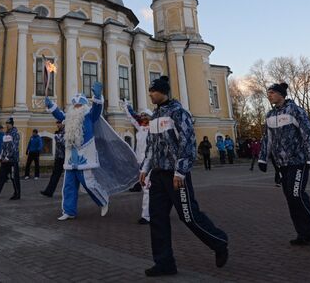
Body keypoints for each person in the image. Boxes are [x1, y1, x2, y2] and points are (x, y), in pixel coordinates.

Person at [140, 76, 229, 277]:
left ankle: (219, 242)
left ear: (163, 91)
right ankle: (164, 263)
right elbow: (151, 147)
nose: (150, 94)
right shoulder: (154, 117)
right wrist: (144, 169)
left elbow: (187, 143)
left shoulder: (179, 113)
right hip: (158, 175)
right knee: (157, 218)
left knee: (188, 216)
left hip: (175, 175)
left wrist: (180, 170)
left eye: (153, 91)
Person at [46, 81, 138, 221]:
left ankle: (103, 200)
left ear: (84, 105)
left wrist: (97, 96)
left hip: (86, 155)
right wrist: (50, 105)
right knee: (69, 185)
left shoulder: (89, 115)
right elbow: (59, 115)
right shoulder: (68, 117)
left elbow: (97, 110)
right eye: (75, 105)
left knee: (89, 183)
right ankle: (69, 211)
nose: (77, 107)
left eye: (79, 105)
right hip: (71, 157)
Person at [258, 82, 310, 248]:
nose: (269, 95)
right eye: (268, 93)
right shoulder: (270, 115)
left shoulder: (295, 111)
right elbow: (267, 139)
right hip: (281, 164)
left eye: (272, 92)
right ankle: (302, 233)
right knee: (291, 199)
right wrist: (263, 158)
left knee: (297, 195)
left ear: (281, 94)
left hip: (298, 161)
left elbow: (308, 133)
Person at [124, 100, 152, 224]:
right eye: (142, 115)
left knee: (147, 189)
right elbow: (132, 116)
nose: (143, 117)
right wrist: (127, 106)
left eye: (145, 115)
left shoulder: (154, 128)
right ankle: (150, 214)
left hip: (151, 163)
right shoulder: (140, 128)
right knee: (147, 189)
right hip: (140, 162)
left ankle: (146, 216)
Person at [0, 117, 21, 200]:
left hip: (12, 160)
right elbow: (4, 147)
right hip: (5, 160)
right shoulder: (6, 134)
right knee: (1, 177)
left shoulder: (15, 134)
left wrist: (8, 157)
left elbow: (14, 147)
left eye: (8, 124)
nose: (7, 125)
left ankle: (17, 194)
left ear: (12, 124)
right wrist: (1, 157)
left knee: (14, 178)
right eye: (6, 124)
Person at [40, 121, 65, 197]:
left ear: (63, 123)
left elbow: (63, 142)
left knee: (73, 175)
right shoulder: (59, 132)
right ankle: (49, 191)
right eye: (57, 123)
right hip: (59, 157)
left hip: (65, 158)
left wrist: (56, 136)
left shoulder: (66, 131)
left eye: (59, 123)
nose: (57, 125)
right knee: (55, 175)